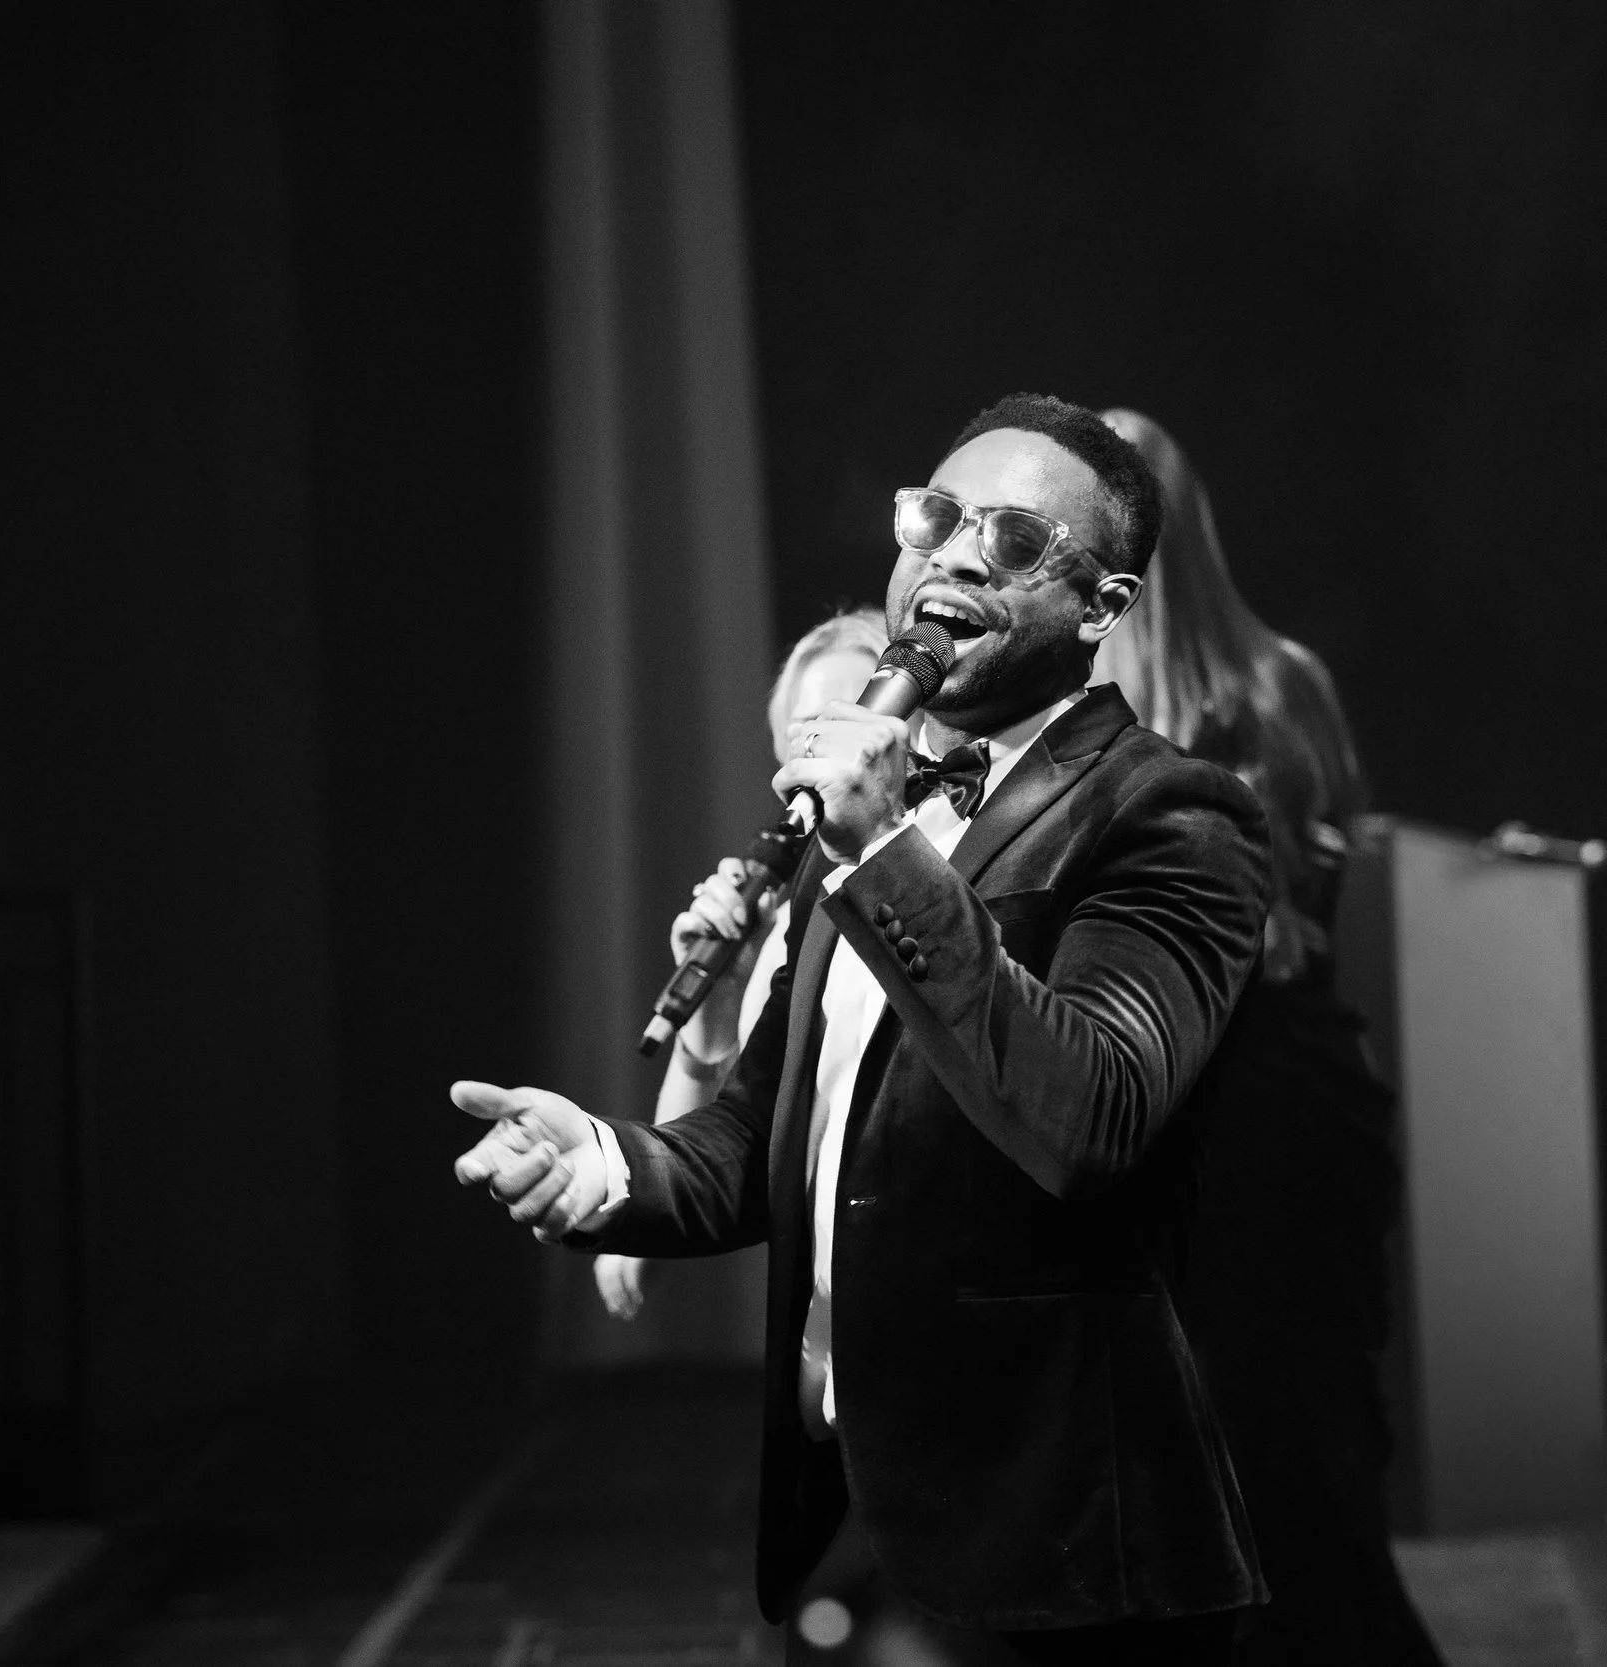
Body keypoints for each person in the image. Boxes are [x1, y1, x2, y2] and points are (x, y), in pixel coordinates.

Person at [455, 393, 1273, 1662]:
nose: (949, 553)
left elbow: (1093, 1115)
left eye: (1008, 541)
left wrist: (889, 850)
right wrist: (605, 1165)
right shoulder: (862, 814)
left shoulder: (1168, 816)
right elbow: (770, 1127)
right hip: (855, 1512)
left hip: (1060, 1554)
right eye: (934, 518)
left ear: (1101, 608)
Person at [1095, 410, 1444, 1667]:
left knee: (1225, 1483)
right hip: (1297, 1097)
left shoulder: (1076, 713)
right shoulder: (1286, 680)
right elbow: (1332, 862)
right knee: (1306, 1471)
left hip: (1204, 1114)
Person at [594, 607, 890, 1322]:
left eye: (851, 723)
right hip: (820, 1348)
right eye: (810, 736)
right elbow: (708, 1175)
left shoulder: (955, 894)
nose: (831, 758)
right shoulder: (793, 922)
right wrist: (715, 1016)